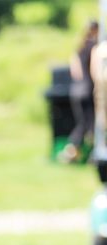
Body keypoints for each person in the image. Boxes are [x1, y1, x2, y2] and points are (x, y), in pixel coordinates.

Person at [59, 20, 98, 164]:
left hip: (76, 90)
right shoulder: (94, 47)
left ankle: (76, 153)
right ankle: (90, 155)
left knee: (83, 123)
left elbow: (75, 72)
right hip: (88, 90)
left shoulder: (78, 48)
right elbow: (95, 70)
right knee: (91, 125)